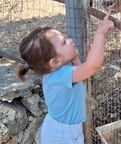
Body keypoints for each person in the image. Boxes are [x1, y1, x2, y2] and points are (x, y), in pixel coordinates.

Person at [16, 10, 114, 144]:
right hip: (64, 136)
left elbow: (80, 76)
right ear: (55, 61)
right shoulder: (63, 75)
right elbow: (92, 66)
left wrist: (76, 63)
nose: (70, 40)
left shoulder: (52, 74)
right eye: (64, 43)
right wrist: (100, 33)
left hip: (55, 129)